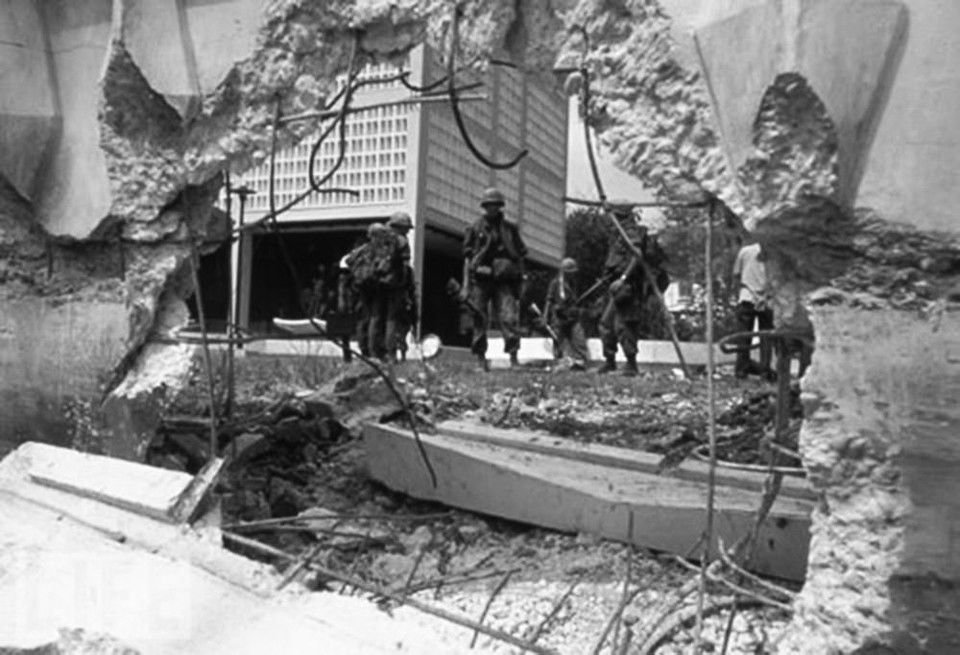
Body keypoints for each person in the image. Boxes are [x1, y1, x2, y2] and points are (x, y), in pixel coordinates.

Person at [461, 187, 528, 369]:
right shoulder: (475, 228)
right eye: (489, 205)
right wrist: (466, 285)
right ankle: (481, 358)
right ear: (484, 206)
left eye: (496, 205)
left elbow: (520, 256)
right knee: (479, 318)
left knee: (509, 317)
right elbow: (468, 259)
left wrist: (522, 280)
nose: (493, 208)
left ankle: (513, 357)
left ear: (500, 206)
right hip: (481, 280)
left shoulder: (510, 229)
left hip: (504, 279)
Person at [597, 202, 657, 377]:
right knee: (606, 324)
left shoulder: (630, 231)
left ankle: (631, 364)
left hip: (627, 286)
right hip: (615, 286)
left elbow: (637, 255)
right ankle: (610, 361)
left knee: (623, 325)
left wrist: (623, 279)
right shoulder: (617, 232)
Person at [366, 211, 412, 362]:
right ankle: (391, 354)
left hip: (376, 283)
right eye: (406, 228)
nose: (408, 231)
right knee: (392, 319)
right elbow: (405, 266)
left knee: (375, 317)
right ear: (400, 226)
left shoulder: (377, 239)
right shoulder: (401, 241)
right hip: (394, 285)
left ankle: (373, 353)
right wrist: (406, 286)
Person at [731, 240, 774, 379]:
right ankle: (765, 370)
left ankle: (741, 370)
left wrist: (737, 293)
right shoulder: (774, 254)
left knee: (744, 336)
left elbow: (736, 275)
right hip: (767, 300)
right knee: (766, 337)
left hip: (747, 297)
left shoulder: (745, 251)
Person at [544, 257, 588, 370]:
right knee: (559, 340)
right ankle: (560, 360)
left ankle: (579, 361)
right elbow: (549, 300)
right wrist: (545, 316)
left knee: (579, 338)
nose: (571, 275)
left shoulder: (574, 283)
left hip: (572, 316)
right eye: (569, 273)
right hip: (559, 317)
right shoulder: (555, 283)